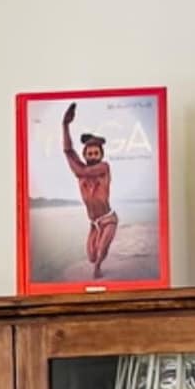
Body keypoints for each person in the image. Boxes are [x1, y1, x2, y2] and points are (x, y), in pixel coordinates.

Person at [60, 101, 120, 278]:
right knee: (91, 256)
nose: (93, 156)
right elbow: (68, 151)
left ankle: (98, 269)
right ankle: (97, 262)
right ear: (85, 155)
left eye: (96, 153)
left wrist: (75, 162)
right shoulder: (82, 170)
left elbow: (79, 170)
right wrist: (65, 126)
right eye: (89, 153)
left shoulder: (103, 167)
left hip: (108, 219)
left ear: (101, 155)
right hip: (93, 222)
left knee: (100, 253)